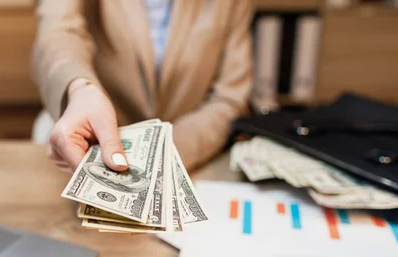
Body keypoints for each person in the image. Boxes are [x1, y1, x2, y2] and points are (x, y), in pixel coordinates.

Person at [33, 0, 252, 173]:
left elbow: (229, 97)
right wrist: (79, 87)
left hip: (190, 152)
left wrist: (170, 151)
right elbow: (59, 34)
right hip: (96, 142)